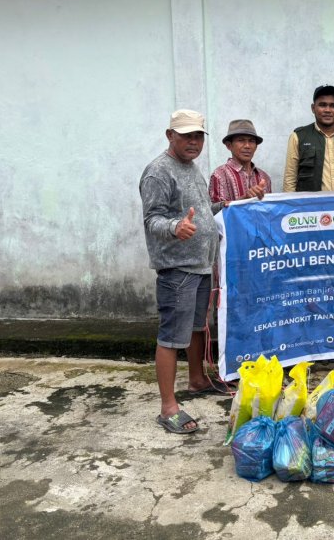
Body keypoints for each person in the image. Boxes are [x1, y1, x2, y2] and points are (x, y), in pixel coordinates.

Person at [139, 109, 229, 435]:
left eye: (198, 136)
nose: (193, 142)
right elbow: (152, 220)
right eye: (186, 135)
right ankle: (168, 407)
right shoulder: (158, 172)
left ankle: (197, 379)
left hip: (200, 264)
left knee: (196, 328)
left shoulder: (190, 169)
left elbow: (202, 211)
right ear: (169, 135)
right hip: (177, 269)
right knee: (172, 336)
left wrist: (232, 205)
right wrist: (176, 226)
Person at [283, 85, 334, 192]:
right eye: (322, 105)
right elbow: (290, 179)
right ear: (313, 108)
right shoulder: (298, 137)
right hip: (311, 206)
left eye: (333, 106)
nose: (328, 110)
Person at [209, 119, 272, 203]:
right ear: (229, 145)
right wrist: (244, 199)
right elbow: (215, 211)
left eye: (251, 141)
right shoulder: (219, 175)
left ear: (256, 146)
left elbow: (270, 209)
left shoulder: (264, 177)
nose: (247, 146)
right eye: (241, 140)